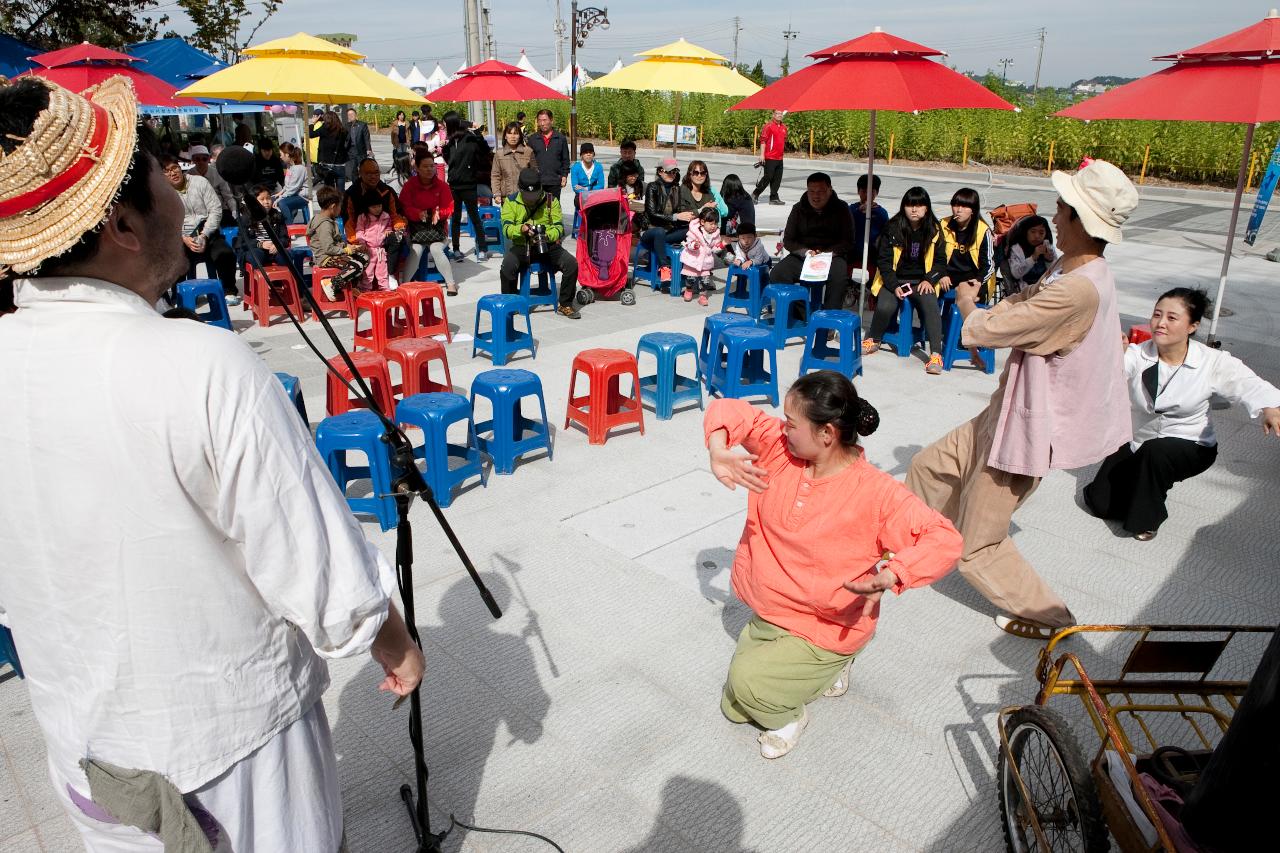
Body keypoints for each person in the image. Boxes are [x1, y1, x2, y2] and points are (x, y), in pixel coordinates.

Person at [0, 75, 423, 851]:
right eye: (164, 175)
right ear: (125, 223)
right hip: (227, 759)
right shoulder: (202, 365)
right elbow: (319, 567)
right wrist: (395, 644)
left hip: (90, 757)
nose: (179, 190)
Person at [906, 160, 1140, 639]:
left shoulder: (1078, 290)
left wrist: (970, 304)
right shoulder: (1069, 266)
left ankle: (1053, 619)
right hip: (1007, 408)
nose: (1053, 217)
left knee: (978, 546)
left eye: (1061, 208)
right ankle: (912, 544)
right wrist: (991, 304)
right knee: (930, 467)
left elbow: (989, 330)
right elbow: (1024, 299)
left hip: (1028, 428)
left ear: (1079, 219)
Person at [705, 372, 962, 758]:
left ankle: (799, 709)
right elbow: (728, 410)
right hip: (776, 610)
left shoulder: (876, 493)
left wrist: (893, 573)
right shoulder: (780, 448)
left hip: (829, 624)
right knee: (735, 706)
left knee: (750, 686)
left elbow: (944, 538)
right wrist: (717, 448)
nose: (782, 428)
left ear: (826, 434)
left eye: (792, 423)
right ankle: (810, 673)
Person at [1084, 288, 1280, 540]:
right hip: (1136, 441)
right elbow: (1103, 379)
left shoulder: (1211, 361)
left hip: (1189, 444)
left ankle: (1147, 519)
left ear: (1192, 326)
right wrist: (1112, 355)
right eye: (1157, 315)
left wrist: (1269, 407)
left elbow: (1247, 383)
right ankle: (1139, 485)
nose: (1160, 323)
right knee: (1100, 504)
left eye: (1172, 318)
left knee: (1155, 454)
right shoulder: (1137, 353)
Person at [862, 186, 949, 374]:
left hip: (921, 281)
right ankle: (874, 339)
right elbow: (883, 261)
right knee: (885, 307)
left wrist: (929, 279)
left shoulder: (934, 229)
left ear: (927, 208)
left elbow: (941, 262)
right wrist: (893, 286)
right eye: (910, 205)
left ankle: (936, 354)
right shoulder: (892, 227)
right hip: (893, 279)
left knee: (931, 306)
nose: (914, 209)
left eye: (919, 205)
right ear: (904, 207)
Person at [500, 167, 581, 319]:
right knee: (507, 267)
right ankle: (510, 303)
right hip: (522, 246)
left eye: (535, 195)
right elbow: (506, 229)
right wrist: (521, 229)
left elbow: (559, 228)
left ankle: (565, 303)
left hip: (547, 245)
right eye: (527, 195)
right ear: (520, 190)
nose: (531, 198)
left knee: (571, 264)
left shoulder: (551, 200)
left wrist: (546, 235)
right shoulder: (510, 202)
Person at [161, 154, 240, 305]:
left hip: (207, 231)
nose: (172, 173)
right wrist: (183, 237)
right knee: (173, 259)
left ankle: (229, 290)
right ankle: (179, 295)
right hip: (182, 235)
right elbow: (166, 222)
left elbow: (216, 209)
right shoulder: (164, 194)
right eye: (167, 171)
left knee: (225, 254)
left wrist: (204, 235)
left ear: (180, 168)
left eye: (174, 168)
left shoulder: (200, 182)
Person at [768, 172, 853, 312]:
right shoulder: (798, 208)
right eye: (812, 191)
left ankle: (830, 319)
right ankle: (805, 313)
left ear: (830, 190)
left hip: (832, 256)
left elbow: (848, 241)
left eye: (820, 191)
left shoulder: (842, 208)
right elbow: (788, 240)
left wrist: (828, 254)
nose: (816, 196)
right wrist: (805, 252)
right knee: (778, 273)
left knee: (839, 279)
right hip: (804, 255)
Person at [399, 149, 459, 295]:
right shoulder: (410, 186)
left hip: (437, 232)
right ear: (417, 168)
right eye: (425, 166)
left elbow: (450, 208)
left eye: (432, 166)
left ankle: (451, 284)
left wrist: (440, 213)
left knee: (436, 249)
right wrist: (417, 214)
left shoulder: (442, 186)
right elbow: (403, 207)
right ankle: (404, 285)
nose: (430, 169)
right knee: (416, 250)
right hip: (416, 231)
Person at [638, 158, 696, 286]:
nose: (672, 175)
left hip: (668, 232)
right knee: (658, 232)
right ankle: (665, 267)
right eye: (669, 171)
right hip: (650, 231)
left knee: (692, 228)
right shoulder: (652, 187)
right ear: (660, 171)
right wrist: (676, 217)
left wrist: (689, 215)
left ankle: (694, 268)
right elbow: (652, 214)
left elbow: (680, 209)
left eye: (674, 172)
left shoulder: (677, 188)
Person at [442, 112, 491, 262]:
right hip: (454, 185)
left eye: (444, 124)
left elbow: (485, 150)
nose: (443, 126)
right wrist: (444, 149)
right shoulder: (450, 142)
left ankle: (482, 248)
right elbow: (450, 161)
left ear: (450, 124)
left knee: (474, 217)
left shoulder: (469, 138)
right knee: (455, 218)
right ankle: (456, 249)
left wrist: (477, 132)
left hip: (469, 184)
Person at [309, 185, 369, 300]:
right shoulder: (325, 225)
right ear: (333, 207)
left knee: (363, 257)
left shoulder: (329, 221)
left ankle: (350, 287)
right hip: (326, 258)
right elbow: (328, 248)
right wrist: (346, 250)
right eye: (340, 206)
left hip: (334, 254)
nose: (341, 209)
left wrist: (352, 247)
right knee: (357, 265)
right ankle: (331, 284)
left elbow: (337, 243)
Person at [938, 188, 995, 301]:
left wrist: (978, 280)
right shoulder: (943, 225)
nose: (959, 210)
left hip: (972, 277)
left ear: (973, 210)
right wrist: (942, 274)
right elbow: (935, 256)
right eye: (955, 205)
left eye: (964, 206)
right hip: (948, 275)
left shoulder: (983, 231)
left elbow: (988, 265)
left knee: (972, 300)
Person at [343, 157, 407, 254]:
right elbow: (349, 222)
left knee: (398, 242)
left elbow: (396, 215)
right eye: (368, 173)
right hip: (361, 238)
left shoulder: (387, 191)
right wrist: (355, 242)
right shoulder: (352, 194)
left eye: (376, 173)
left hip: (384, 235)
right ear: (360, 173)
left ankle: (389, 269)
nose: (373, 176)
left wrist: (399, 229)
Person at [680, 207, 724, 305]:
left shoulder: (716, 234)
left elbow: (714, 248)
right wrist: (693, 245)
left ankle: (703, 296)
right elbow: (688, 243)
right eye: (711, 224)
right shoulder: (694, 231)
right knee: (690, 278)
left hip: (706, 261)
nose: (713, 226)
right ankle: (689, 290)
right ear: (703, 222)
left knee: (705, 281)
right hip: (693, 259)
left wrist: (721, 245)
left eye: (715, 224)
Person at [1005, 214, 1058, 292]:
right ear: (1026, 232)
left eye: (1041, 233)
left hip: (1044, 288)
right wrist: (1033, 257)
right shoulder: (1017, 249)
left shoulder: (1047, 247)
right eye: (1033, 232)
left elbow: (1056, 273)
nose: (1037, 236)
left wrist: (1049, 260)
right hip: (1025, 291)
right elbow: (1016, 274)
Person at [527, 108, 570, 200]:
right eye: (539, 121)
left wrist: (564, 175)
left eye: (544, 120)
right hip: (537, 181)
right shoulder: (532, 139)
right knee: (537, 209)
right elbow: (528, 160)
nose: (542, 123)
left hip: (554, 181)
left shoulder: (560, 138)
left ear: (551, 120)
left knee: (553, 209)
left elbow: (565, 159)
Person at [850, 173, 888, 275]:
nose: (867, 195)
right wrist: (859, 211)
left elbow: (885, 233)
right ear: (858, 191)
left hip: (873, 254)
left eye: (871, 191)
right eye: (864, 191)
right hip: (853, 252)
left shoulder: (881, 213)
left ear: (876, 193)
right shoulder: (852, 209)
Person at [188, 144, 233, 225]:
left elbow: (228, 196)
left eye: (204, 159)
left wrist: (234, 211)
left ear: (209, 159)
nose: (201, 162)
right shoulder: (188, 175)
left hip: (219, 211)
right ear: (193, 160)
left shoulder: (217, 173)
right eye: (197, 159)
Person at [354, 199, 394, 290]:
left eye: (379, 206)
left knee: (382, 272)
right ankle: (365, 290)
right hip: (368, 250)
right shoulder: (363, 217)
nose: (377, 209)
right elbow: (359, 231)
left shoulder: (385, 216)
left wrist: (388, 230)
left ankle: (385, 290)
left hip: (380, 250)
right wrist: (362, 242)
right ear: (367, 207)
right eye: (373, 207)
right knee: (367, 273)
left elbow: (389, 226)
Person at [752, 109, 787, 205]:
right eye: (777, 113)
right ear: (773, 115)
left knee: (777, 179)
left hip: (780, 158)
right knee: (768, 177)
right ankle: (755, 194)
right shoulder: (768, 126)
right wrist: (762, 155)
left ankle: (774, 198)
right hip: (770, 157)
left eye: (781, 114)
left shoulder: (784, 127)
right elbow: (763, 141)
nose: (779, 115)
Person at [570, 142, 605, 234]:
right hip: (580, 196)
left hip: (594, 195)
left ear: (593, 154)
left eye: (590, 152)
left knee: (603, 205)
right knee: (585, 205)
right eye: (585, 152)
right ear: (581, 155)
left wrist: (587, 189)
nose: (588, 154)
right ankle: (583, 229)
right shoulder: (575, 167)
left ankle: (595, 229)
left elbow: (601, 185)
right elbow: (575, 187)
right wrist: (589, 189)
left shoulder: (598, 167)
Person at [492, 121, 533, 200]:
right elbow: (495, 175)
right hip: (506, 197)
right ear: (505, 136)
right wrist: (497, 194)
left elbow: (534, 173)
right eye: (510, 133)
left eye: (516, 133)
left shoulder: (528, 152)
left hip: (525, 196)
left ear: (520, 136)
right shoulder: (499, 154)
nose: (513, 136)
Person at [310, 110, 348, 192]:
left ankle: (333, 204)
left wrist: (312, 123)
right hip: (340, 164)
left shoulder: (324, 129)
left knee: (330, 191)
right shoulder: (343, 130)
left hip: (327, 165)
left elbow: (311, 134)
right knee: (341, 191)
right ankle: (342, 204)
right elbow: (347, 145)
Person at [275, 144, 311, 224]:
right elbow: (288, 185)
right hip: (295, 194)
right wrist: (279, 193)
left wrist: (280, 198)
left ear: (287, 155)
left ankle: (289, 228)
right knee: (273, 200)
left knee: (282, 203)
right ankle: (279, 226)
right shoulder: (290, 167)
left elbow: (292, 189)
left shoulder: (299, 168)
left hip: (303, 197)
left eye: (281, 154)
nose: (280, 157)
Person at [720, 173, 755, 238]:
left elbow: (726, 214)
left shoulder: (734, 198)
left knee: (721, 219)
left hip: (742, 231)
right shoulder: (745, 195)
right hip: (750, 228)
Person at [344, 106, 372, 184]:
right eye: (349, 115)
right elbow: (344, 138)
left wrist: (368, 149)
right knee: (353, 170)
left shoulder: (362, 125)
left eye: (352, 114)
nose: (350, 116)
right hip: (351, 151)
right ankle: (355, 186)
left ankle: (365, 184)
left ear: (356, 115)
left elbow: (366, 138)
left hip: (361, 151)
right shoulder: (346, 126)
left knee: (363, 169)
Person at [390, 110, 411, 185]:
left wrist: (409, 141)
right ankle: (399, 169)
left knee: (404, 156)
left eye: (402, 115)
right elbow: (392, 134)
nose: (401, 116)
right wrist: (393, 143)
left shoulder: (407, 123)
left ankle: (405, 169)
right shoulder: (395, 123)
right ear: (398, 116)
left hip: (404, 142)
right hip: (398, 142)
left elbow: (408, 133)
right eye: (400, 115)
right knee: (399, 156)